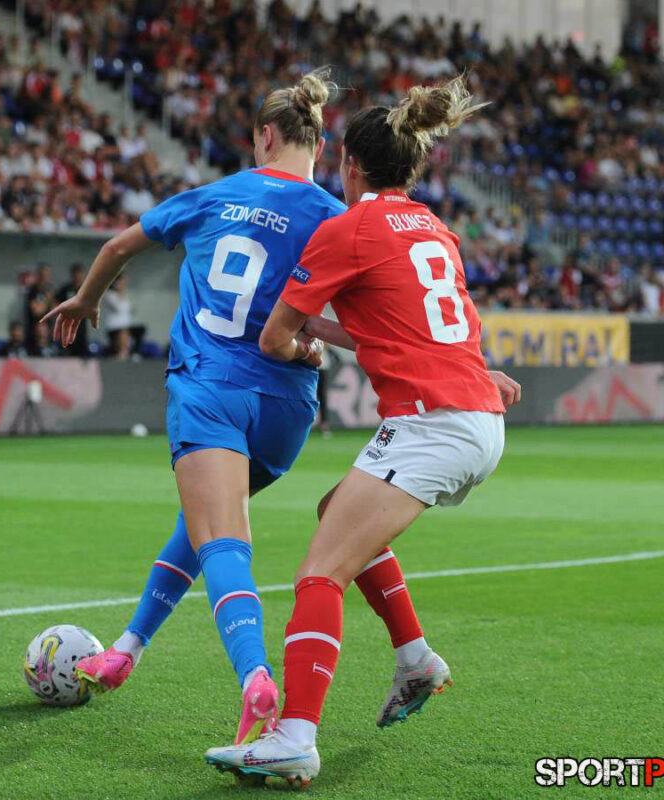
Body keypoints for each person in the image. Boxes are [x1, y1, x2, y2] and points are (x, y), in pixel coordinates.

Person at [42, 70, 436, 746]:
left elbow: (116, 247)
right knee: (203, 521)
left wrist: (86, 300)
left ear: (265, 136)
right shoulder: (336, 217)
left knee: (222, 537)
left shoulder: (213, 195)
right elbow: (370, 321)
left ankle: (255, 677)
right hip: (286, 409)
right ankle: (128, 648)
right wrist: (317, 347)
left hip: (209, 389)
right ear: (319, 147)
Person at [205, 76, 522, 786]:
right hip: (474, 411)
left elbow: (274, 339)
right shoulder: (432, 227)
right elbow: (415, 326)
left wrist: (301, 344)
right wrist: (323, 332)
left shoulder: (348, 229)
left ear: (349, 165)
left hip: (433, 422)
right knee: (335, 513)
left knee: (320, 573)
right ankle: (415, 659)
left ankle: (294, 737)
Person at [101, 275, 146, 357]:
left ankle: (135, 352)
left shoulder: (126, 296)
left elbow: (131, 309)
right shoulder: (109, 295)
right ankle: (122, 353)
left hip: (125, 326)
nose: (123, 285)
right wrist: (121, 293)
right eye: (121, 282)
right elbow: (118, 307)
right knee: (123, 333)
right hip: (113, 327)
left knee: (141, 329)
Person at [55, 263, 89, 357]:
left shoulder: (86, 290)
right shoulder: (66, 289)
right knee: (67, 352)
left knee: (81, 353)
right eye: (76, 274)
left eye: (80, 274)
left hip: (81, 328)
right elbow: (56, 303)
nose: (78, 276)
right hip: (66, 327)